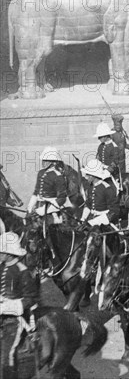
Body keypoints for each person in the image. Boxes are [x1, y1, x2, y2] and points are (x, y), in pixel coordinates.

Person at [0, 231, 39, 379]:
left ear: (9, 253)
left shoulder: (22, 271)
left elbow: (31, 299)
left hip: (15, 320)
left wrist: (9, 306)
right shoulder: (1, 266)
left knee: (6, 356)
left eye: (1, 251)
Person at [27, 147, 66, 223]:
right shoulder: (41, 173)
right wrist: (30, 206)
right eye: (43, 160)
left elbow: (62, 198)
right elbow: (36, 192)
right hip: (38, 205)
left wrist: (45, 210)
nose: (43, 162)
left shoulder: (58, 176)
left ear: (54, 162)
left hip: (51, 209)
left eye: (46, 160)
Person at [80, 158, 120, 226]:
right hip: (91, 219)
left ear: (94, 176)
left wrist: (95, 222)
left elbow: (114, 211)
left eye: (88, 175)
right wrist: (83, 219)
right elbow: (89, 204)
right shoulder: (91, 187)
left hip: (104, 222)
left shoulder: (107, 189)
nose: (86, 177)